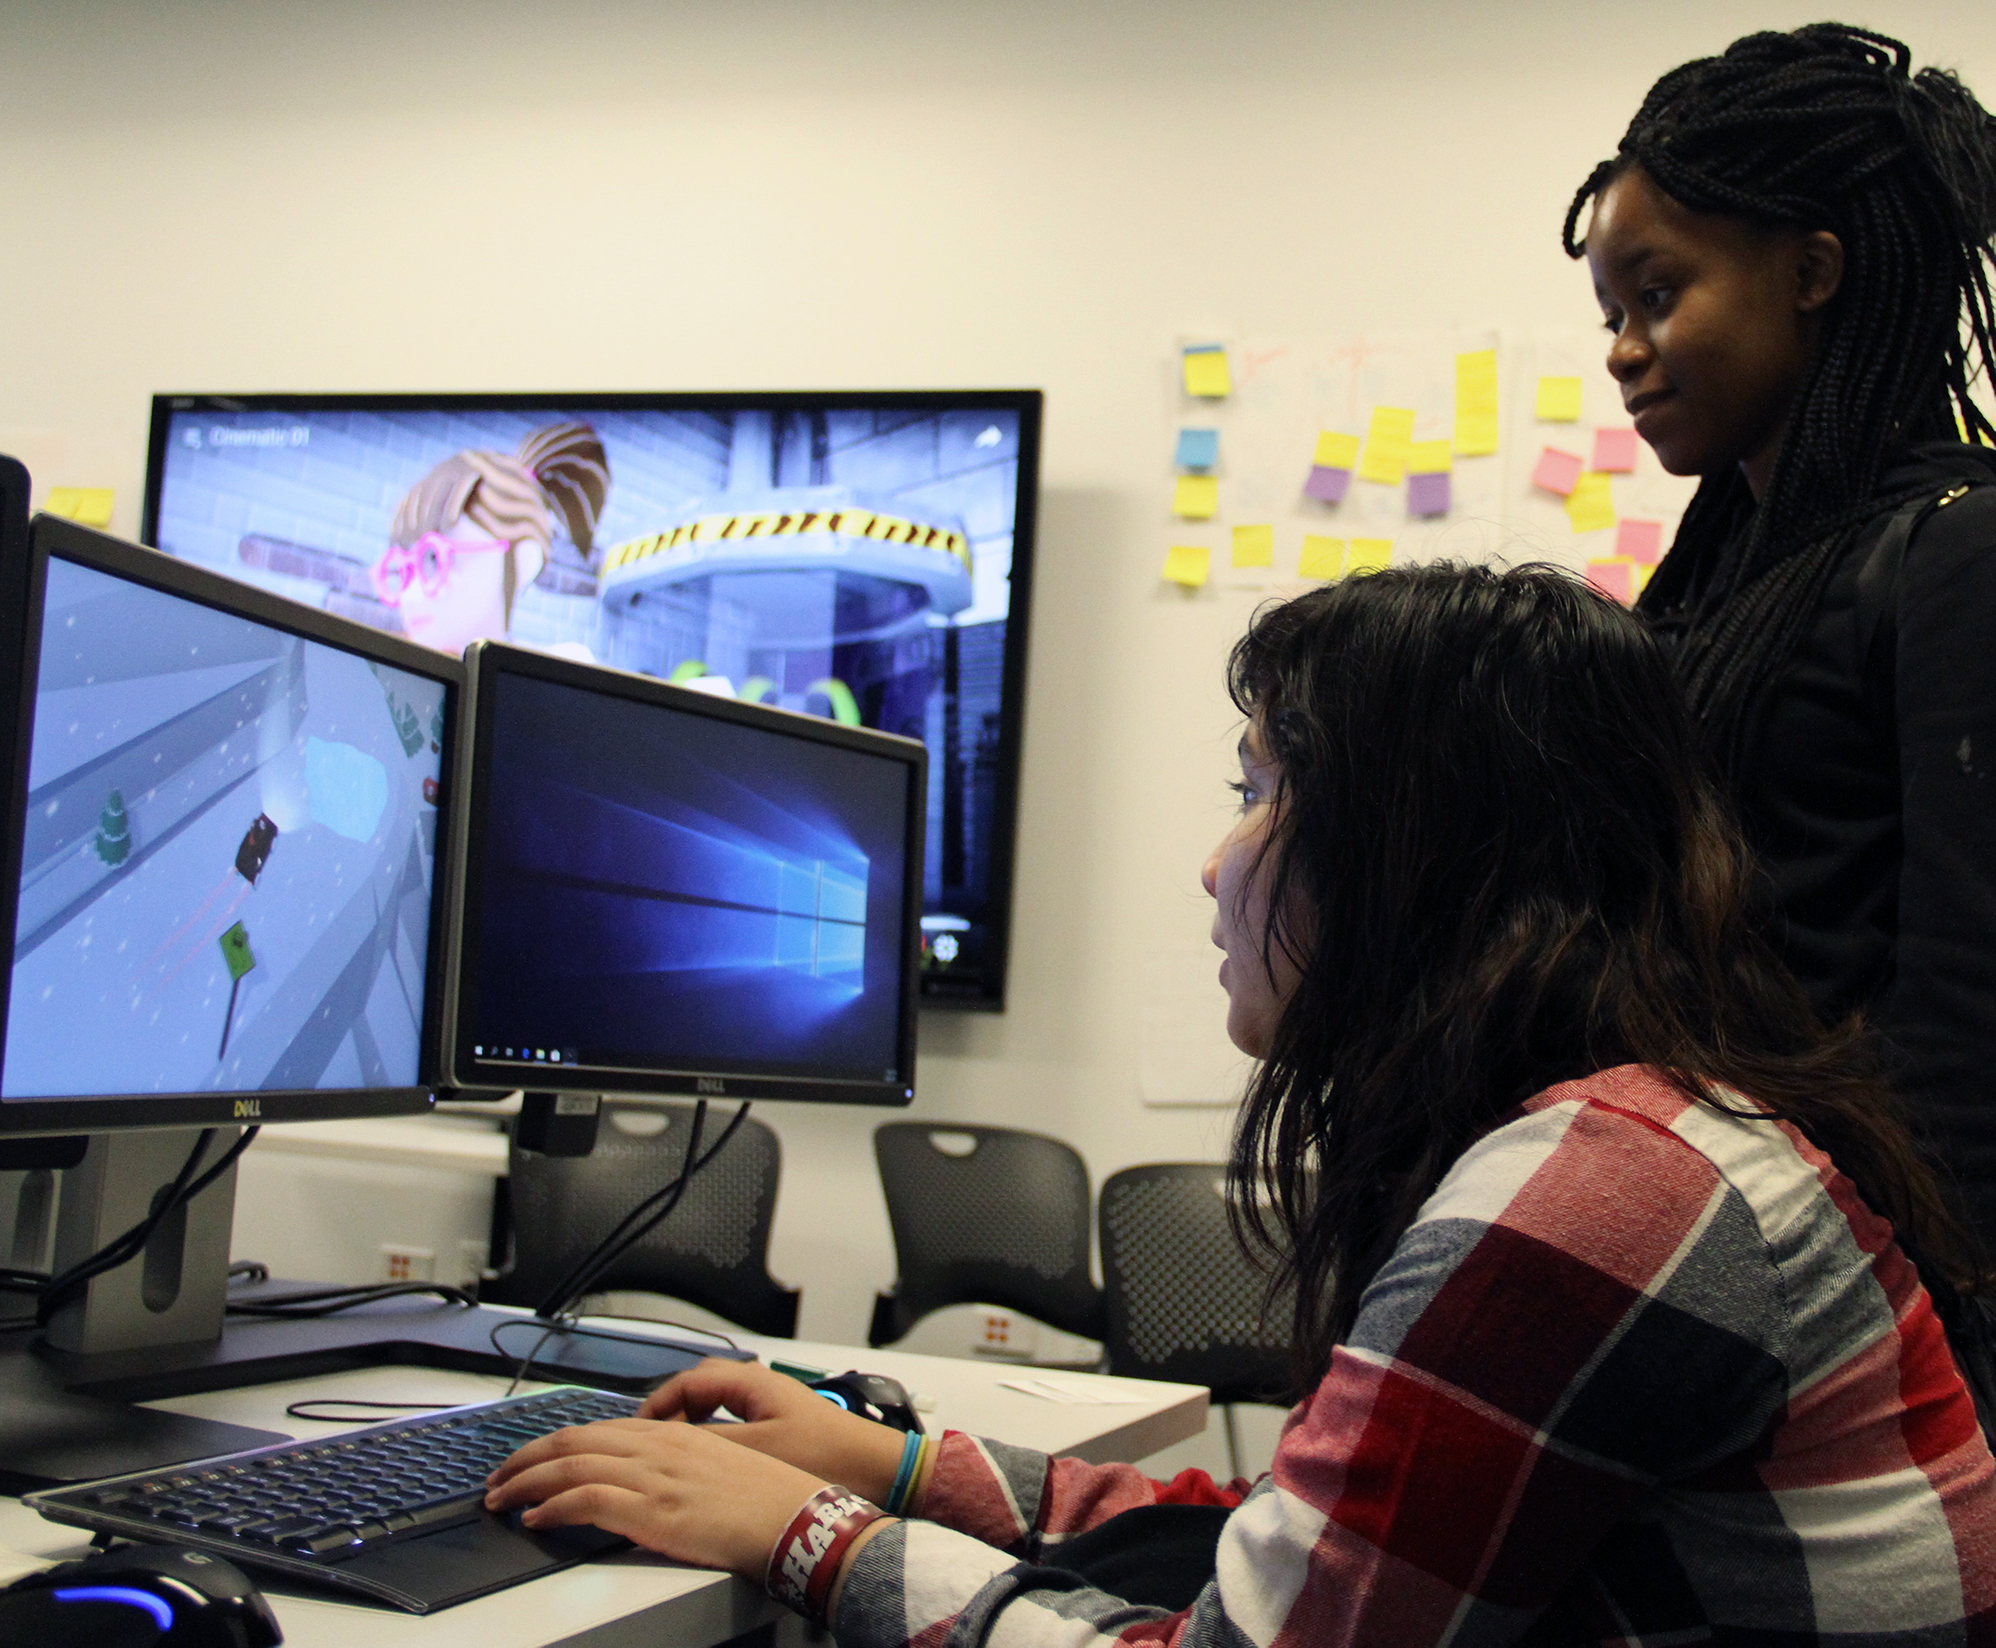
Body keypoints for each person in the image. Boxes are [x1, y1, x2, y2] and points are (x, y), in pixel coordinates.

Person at [485, 565, 1996, 1647]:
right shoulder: (1647, 1131)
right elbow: (1305, 1541)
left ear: (1421, 850)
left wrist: (798, 1537)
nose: (1219, 863)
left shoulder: (1602, 1194)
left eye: (1262, 788)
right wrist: (887, 1464)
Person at [1564, 23, 1996, 1242]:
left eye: (1657, 296)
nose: (1622, 351)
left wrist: (1927, 1299)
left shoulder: (1957, 548)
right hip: (1720, 1223)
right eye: (1611, 310)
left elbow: (1968, 1004)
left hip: (1877, 1272)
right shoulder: (1725, 570)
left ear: (1812, 273)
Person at [373, 420, 610, 656]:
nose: (411, 596)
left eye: (434, 559)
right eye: (405, 569)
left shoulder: (559, 671)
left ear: (524, 559)